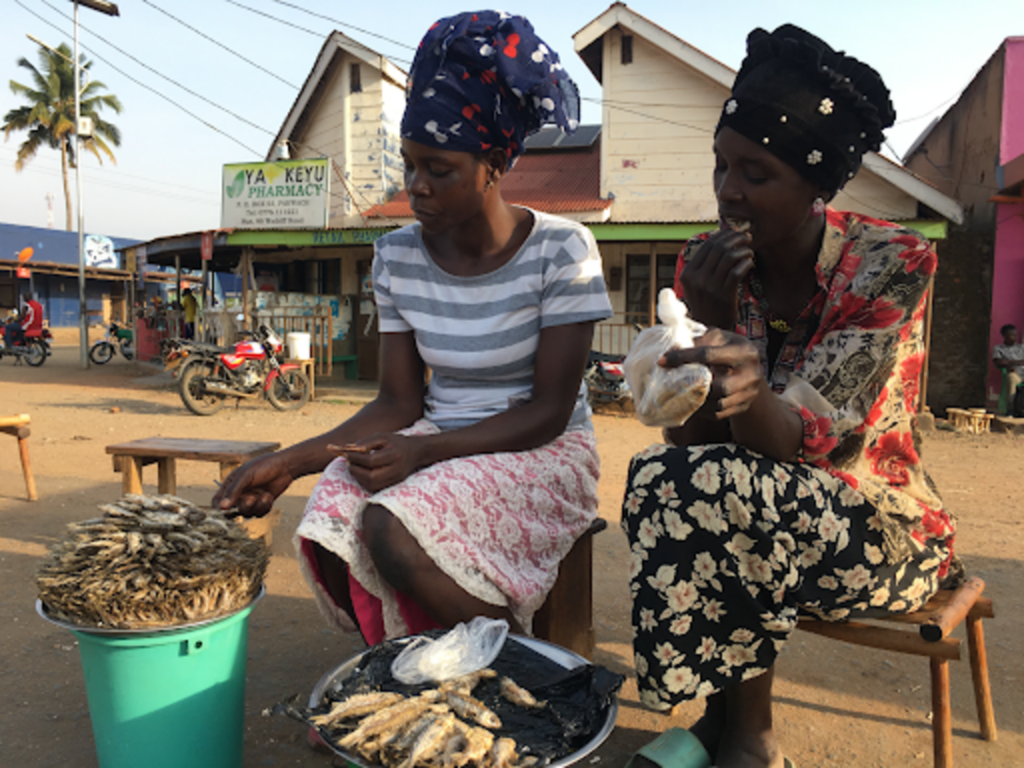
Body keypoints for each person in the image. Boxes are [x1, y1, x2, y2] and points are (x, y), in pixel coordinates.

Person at [214, 11, 612, 644]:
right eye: (410, 166)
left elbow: (549, 410)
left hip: (544, 450)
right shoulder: (395, 256)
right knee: (332, 511)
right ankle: (409, 658)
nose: (417, 188)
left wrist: (424, 453)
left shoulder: (562, 250)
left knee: (392, 527)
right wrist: (289, 464)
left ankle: (523, 659)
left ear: (492, 166)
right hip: (434, 434)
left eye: (439, 169)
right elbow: (398, 402)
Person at [621, 25, 957, 768]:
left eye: (756, 173)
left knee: (715, 489)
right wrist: (703, 336)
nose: (728, 190)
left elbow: (798, 443)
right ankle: (717, 722)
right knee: (666, 476)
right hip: (755, 514)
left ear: (817, 188)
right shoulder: (706, 263)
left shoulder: (890, 264)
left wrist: (734, 359)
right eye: (720, 165)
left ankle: (749, 737)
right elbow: (692, 444)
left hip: (877, 530)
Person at [992, 323, 1024, 416]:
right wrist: (1016, 363)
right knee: (1011, 379)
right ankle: (1010, 410)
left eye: (1015, 335)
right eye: (1011, 335)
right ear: (1004, 335)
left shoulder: (1022, 348)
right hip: (1015, 373)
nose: (1014, 337)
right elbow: (998, 362)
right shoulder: (999, 348)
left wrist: (1008, 362)